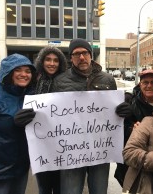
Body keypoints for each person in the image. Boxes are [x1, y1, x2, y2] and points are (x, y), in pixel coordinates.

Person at [51, 38, 117, 194]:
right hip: (72, 150)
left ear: (91, 55)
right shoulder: (60, 81)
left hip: (100, 148)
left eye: (85, 53)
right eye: (76, 54)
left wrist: (122, 110)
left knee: (99, 190)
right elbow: (53, 115)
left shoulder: (107, 79)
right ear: (71, 58)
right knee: (70, 191)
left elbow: (114, 111)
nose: (81, 57)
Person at [114, 69, 153, 186]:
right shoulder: (130, 103)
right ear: (140, 84)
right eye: (145, 82)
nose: (149, 86)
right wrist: (131, 129)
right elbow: (118, 132)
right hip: (138, 160)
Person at [0, 53, 36, 194]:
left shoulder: (31, 98)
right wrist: (12, 122)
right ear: (8, 72)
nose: (24, 74)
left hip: (21, 168)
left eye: (28, 71)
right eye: (18, 70)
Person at [34, 46, 67, 194]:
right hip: (41, 146)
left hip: (63, 145)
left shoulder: (67, 82)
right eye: (48, 59)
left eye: (56, 60)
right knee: (44, 187)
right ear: (42, 61)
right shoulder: (33, 82)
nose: (52, 63)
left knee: (60, 187)